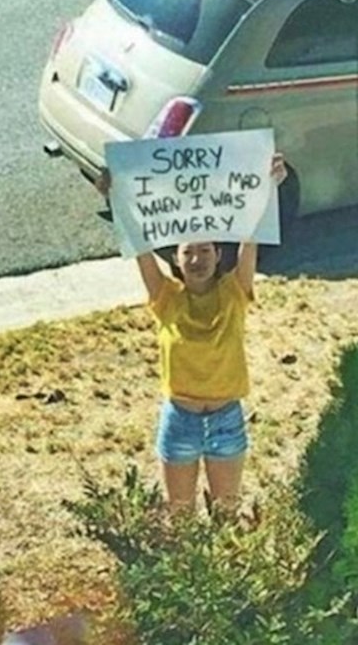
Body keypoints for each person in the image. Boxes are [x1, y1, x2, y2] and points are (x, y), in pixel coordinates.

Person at [96, 154, 287, 514]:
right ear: (177, 259)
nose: (197, 259)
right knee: (179, 515)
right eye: (188, 252)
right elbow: (139, 248)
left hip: (226, 420)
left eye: (204, 250)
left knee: (226, 514)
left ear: (218, 255)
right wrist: (115, 198)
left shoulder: (235, 291)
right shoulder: (165, 297)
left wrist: (269, 186)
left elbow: (251, 238)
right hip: (179, 421)